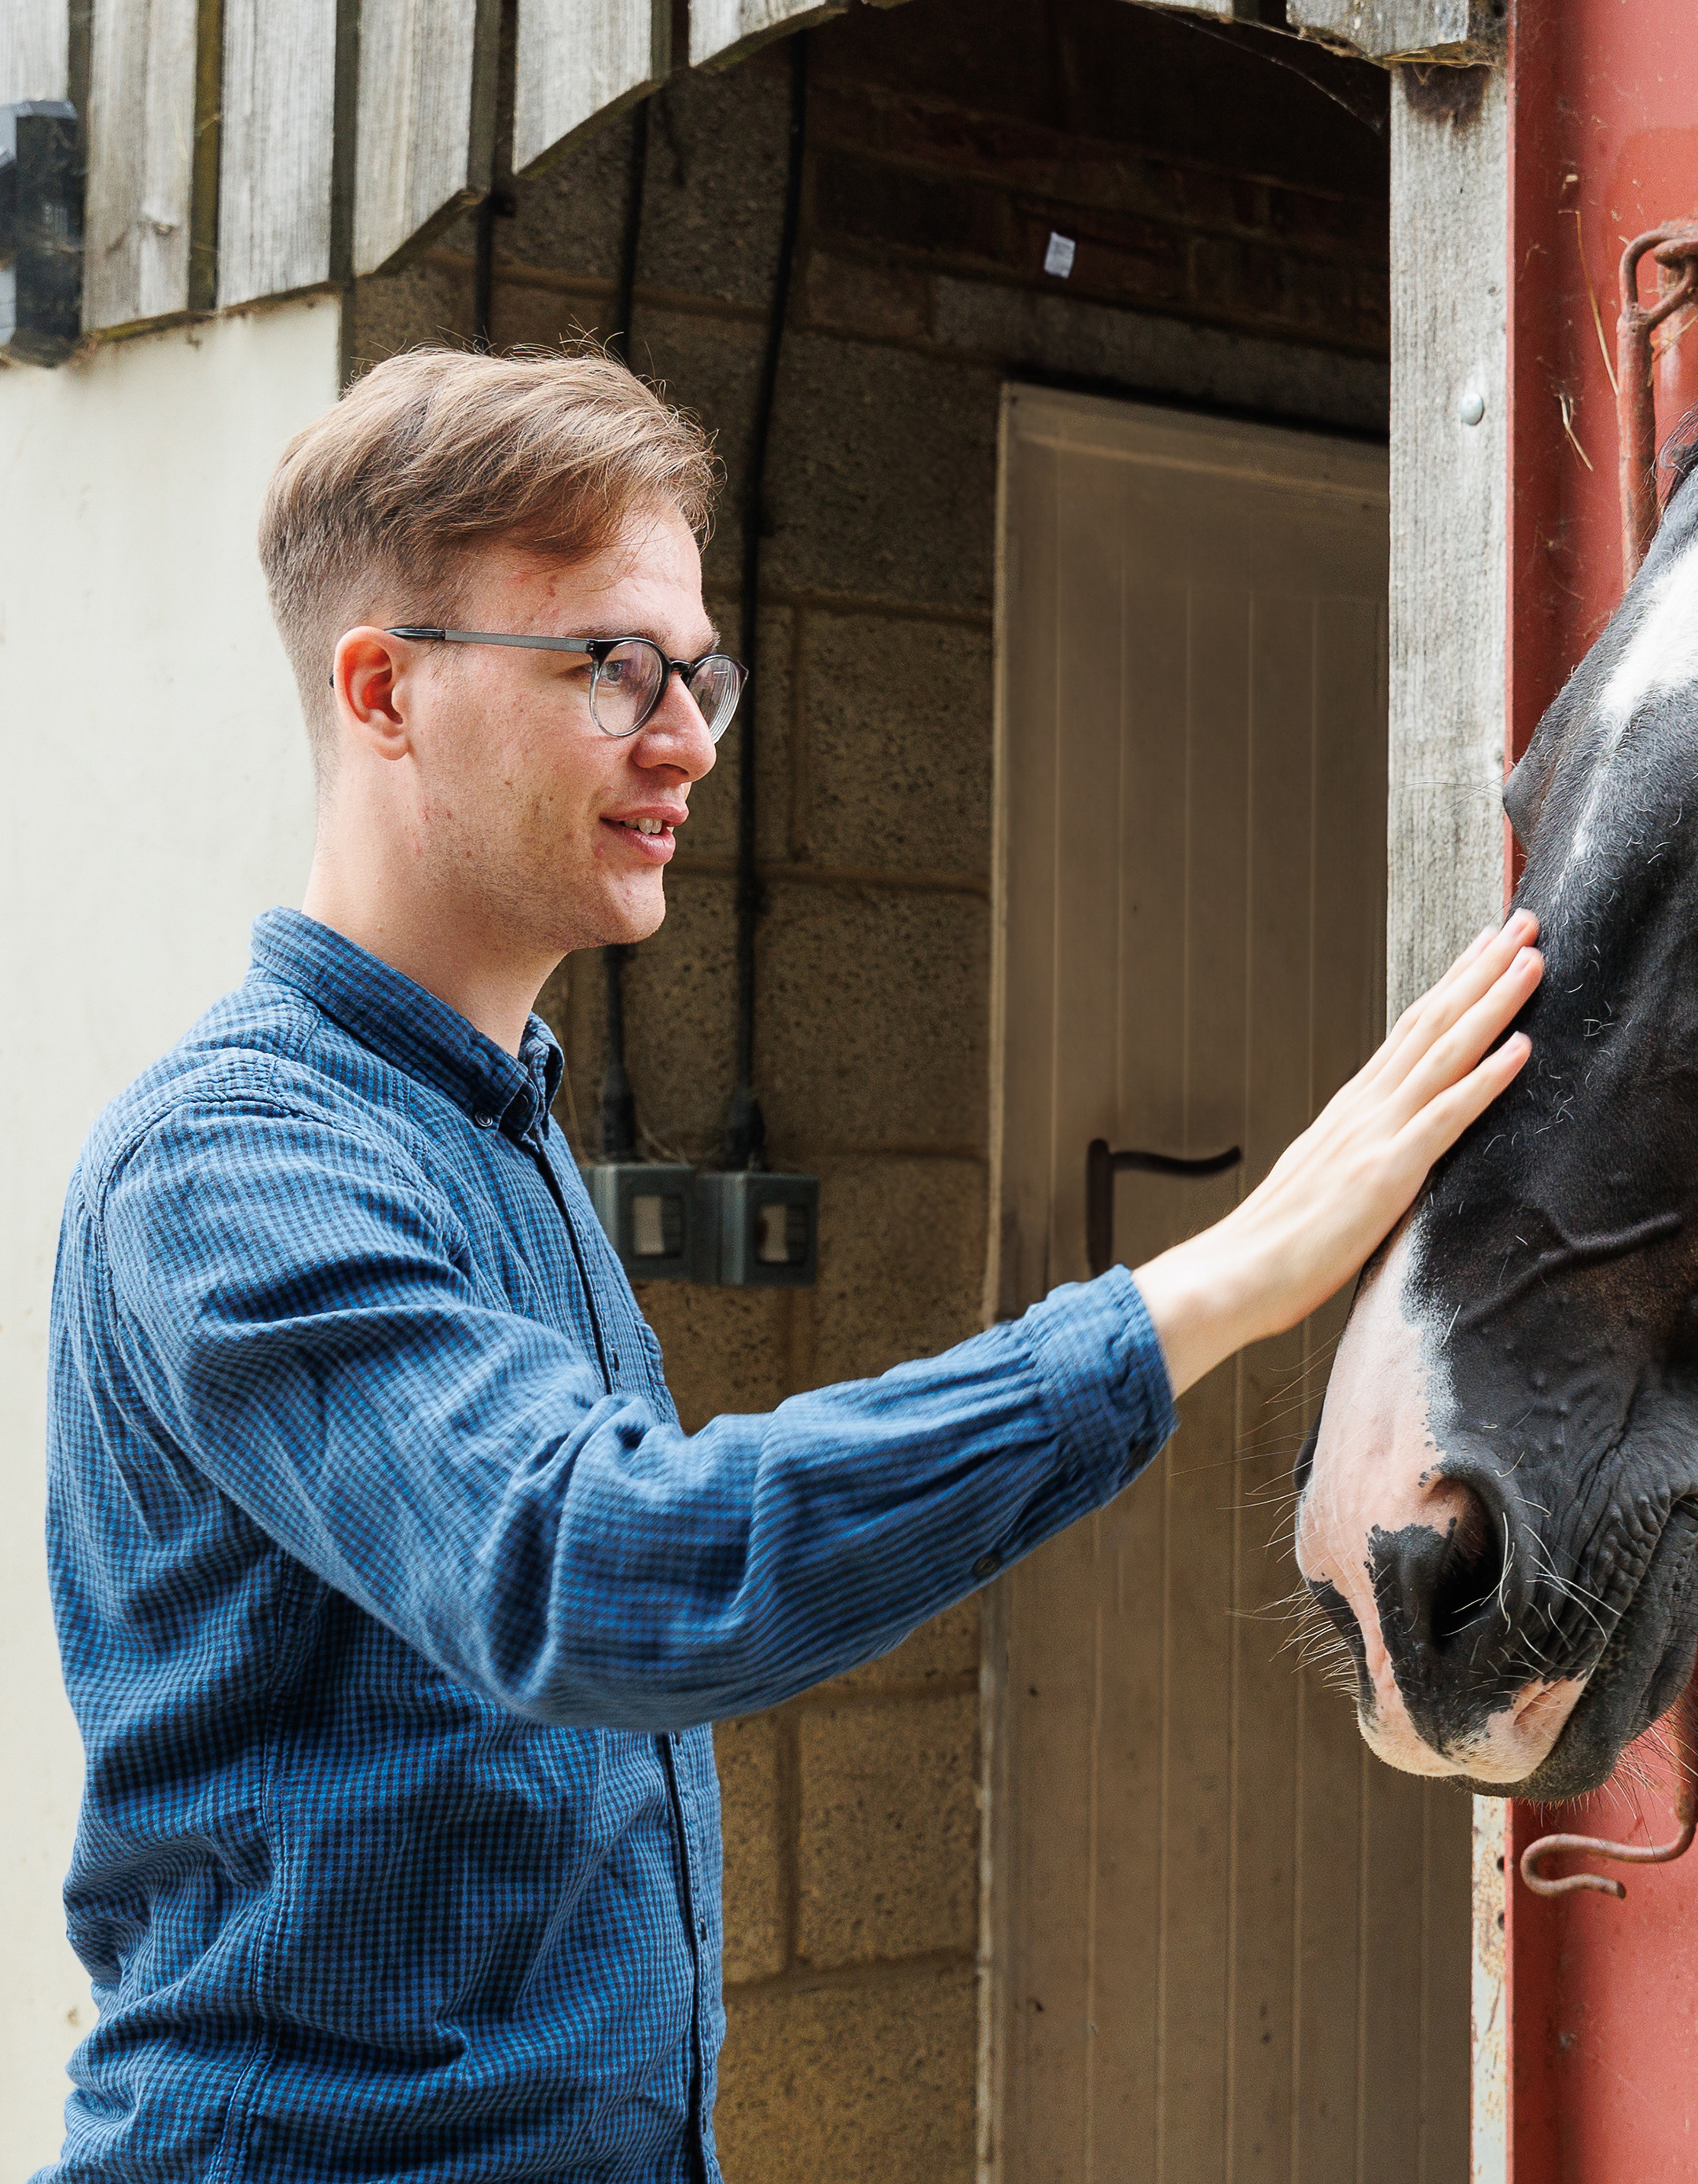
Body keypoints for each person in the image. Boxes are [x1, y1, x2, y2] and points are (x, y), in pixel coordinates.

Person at [41, 345, 1541, 2182]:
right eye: (607, 666)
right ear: (383, 691)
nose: (683, 739)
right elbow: (606, 1570)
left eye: (698, 674)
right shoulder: (236, 1162)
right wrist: (1220, 1280)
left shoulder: (494, 1129)